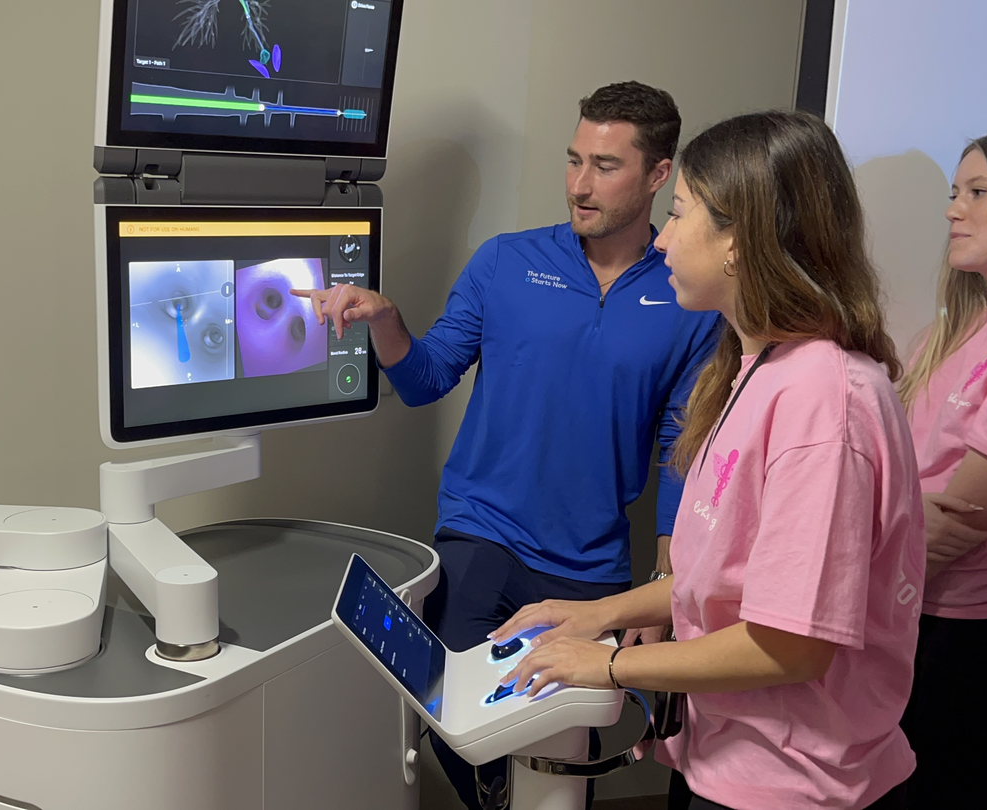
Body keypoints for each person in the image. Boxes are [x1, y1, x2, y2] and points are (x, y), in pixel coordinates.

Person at [294, 81, 719, 809]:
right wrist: (387, 320)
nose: (580, 185)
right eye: (574, 159)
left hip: (590, 559)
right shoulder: (505, 263)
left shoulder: (685, 290)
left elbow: (683, 443)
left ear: (658, 175)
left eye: (606, 166)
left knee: (563, 757)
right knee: (454, 717)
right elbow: (427, 380)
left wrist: (664, 580)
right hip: (482, 531)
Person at [491, 111, 925, 810]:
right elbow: (726, 577)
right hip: (724, 756)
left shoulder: (822, 401)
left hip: (792, 785)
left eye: (680, 214)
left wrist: (611, 665)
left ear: (738, 240)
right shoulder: (757, 368)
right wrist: (595, 612)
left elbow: (790, 645)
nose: (661, 239)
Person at [896, 125, 987, 809]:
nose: (953, 209)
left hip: (982, 645)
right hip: (910, 618)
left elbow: (953, 527)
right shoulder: (948, 329)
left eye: (978, 193)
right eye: (955, 192)